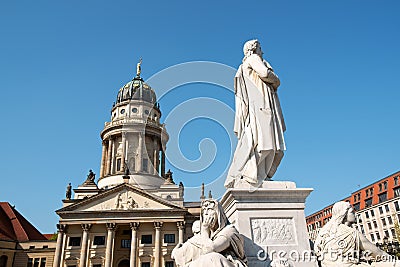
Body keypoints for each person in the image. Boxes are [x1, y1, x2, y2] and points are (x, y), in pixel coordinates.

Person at [225, 39, 286, 188]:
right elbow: (265, 73)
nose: (262, 51)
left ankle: (256, 174)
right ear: (253, 50)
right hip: (262, 105)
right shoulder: (253, 59)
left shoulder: (242, 67)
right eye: (260, 48)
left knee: (259, 141)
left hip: (256, 106)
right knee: (266, 142)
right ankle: (252, 174)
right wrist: (276, 80)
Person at [315, 201, 395, 266]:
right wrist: (391, 259)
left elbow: (317, 252)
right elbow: (377, 253)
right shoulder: (352, 233)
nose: (355, 214)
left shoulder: (324, 232)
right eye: (352, 212)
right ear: (344, 214)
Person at [172, 199, 247, 267]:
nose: (206, 213)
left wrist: (204, 229)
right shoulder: (204, 235)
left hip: (227, 263)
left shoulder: (229, 231)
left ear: (218, 213)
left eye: (210, 209)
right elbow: (179, 255)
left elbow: (210, 249)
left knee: (214, 258)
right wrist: (177, 252)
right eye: (204, 210)